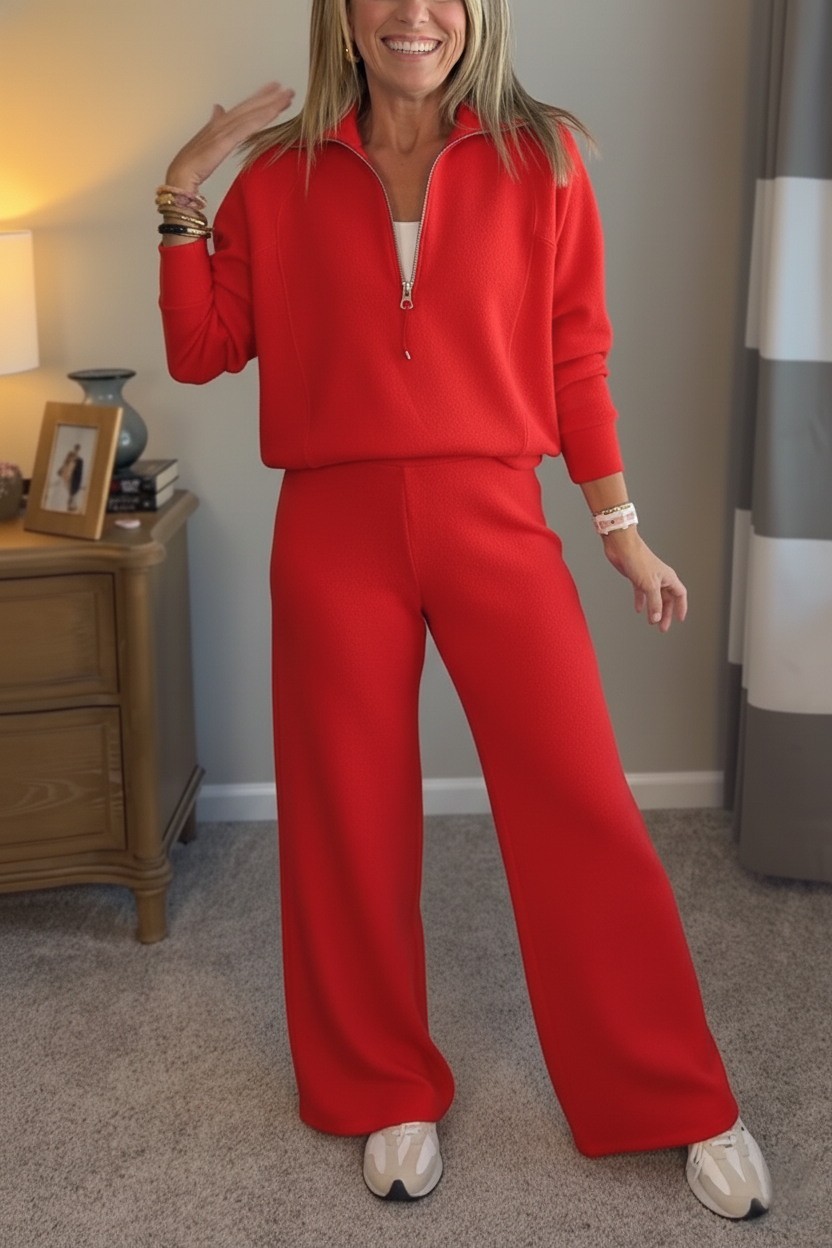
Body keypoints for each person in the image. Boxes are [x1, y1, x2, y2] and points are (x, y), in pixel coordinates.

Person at [158, 0, 772, 1220]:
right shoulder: (277, 177)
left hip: (493, 515)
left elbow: (574, 353)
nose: (414, 13)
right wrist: (183, 193)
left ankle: (673, 1094)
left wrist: (619, 529)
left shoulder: (545, 158)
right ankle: (383, 1084)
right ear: (343, 14)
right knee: (347, 819)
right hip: (331, 531)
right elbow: (202, 348)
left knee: (579, 804)